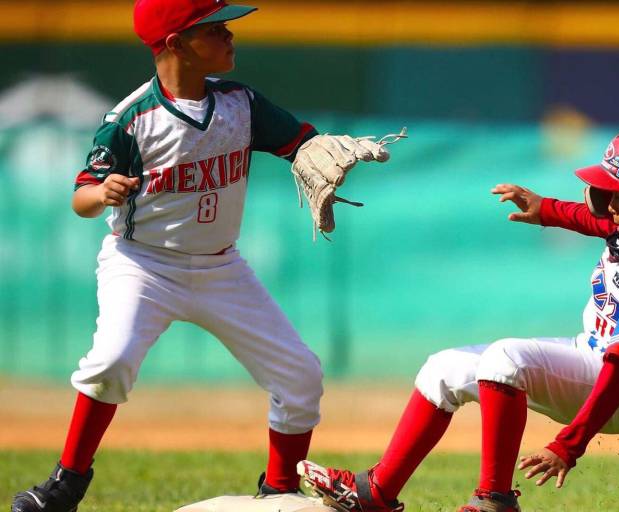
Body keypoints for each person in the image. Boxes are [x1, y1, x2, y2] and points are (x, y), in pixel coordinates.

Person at [11, 1, 394, 511]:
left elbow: (300, 143)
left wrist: (319, 151)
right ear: (174, 43)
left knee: (300, 375)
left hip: (220, 266)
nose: (230, 35)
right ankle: (65, 485)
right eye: (214, 29)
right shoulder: (131, 119)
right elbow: (81, 194)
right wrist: (101, 194)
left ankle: (278, 492)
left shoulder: (241, 103)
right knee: (110, 362)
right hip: (143, 265)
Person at [298, 126, 619, 512]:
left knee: (506, 360)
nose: (609, 204)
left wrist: (569, 444)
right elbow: (596, 222)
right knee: (442, 369)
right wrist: (544, 208)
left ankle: (493, 500)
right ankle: (376, 492)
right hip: (597, 359)